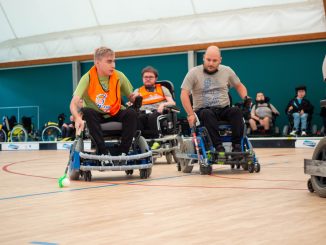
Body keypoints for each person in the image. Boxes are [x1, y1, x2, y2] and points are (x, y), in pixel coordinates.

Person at [70, 47, 138, 156]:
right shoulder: (87, 78)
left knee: (131, 113)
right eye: (109, 62)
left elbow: (131, 97)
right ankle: (103, 151)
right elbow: (74, 102)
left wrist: (136, 97)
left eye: (114, 61)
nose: (113, 65)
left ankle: (123, 152)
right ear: (97, 63)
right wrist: (77, 118)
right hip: (96, 115)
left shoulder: (119, 76)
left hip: (115, 111)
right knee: (86, 111)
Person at [180, 45, 249, 152]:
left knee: (236, 111)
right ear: (203, 57)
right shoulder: (194, 72)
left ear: (220, 60)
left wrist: (246, 97)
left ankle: (237, 146)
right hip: (203, 110)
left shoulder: (227, 71)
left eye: (214, 60)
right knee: (207, 113)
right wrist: (190, 114)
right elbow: (184, 93)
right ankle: (218, 146)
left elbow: (239, 85)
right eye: (208, 60)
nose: (211, 63)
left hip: (223, 109)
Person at [133, 66, 176, 149]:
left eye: (151, 77)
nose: (148, 79)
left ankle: (157, 140)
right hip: (144, 112)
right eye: (145, 77)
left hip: (159, 111)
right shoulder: (138, 91)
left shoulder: (162, 88)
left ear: (156, 78)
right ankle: (141, 140)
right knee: (137, 117)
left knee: (153, 117)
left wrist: (162, 105)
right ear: (142, 78)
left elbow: (172, 102)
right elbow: (133, 103)